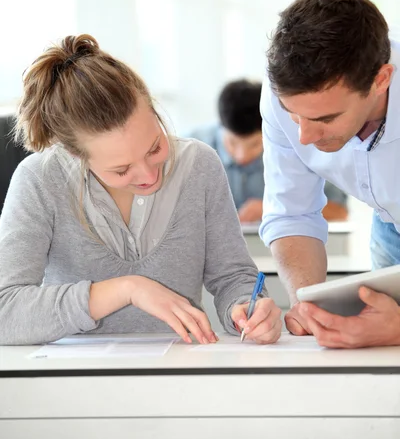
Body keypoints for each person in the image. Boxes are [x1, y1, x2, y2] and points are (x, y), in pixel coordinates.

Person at [0, 34, 282, 346]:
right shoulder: (39, 180)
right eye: (121, 169)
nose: (148, 175)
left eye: (155, 147)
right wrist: (128, 289)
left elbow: (232, 278)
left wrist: (245, 309)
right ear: (74, 155)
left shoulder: (199, 164)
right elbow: (5, 311)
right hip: (71, 383)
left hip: (181, 373)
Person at [260, 0, 400, 349]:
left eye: (325, 118)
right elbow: (293, 213)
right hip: (389, 225)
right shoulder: (285, 93)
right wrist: (309, 304)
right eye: (295, 116)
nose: (303, 136)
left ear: (381, 80)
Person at [191, 79, 348, 223]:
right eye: (232, 143)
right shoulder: (189, 150)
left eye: (253, 145)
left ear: (268, 131)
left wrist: (275, 207)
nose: (242, 156)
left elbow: (340, 211)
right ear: (221, 127)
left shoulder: (301, 145)